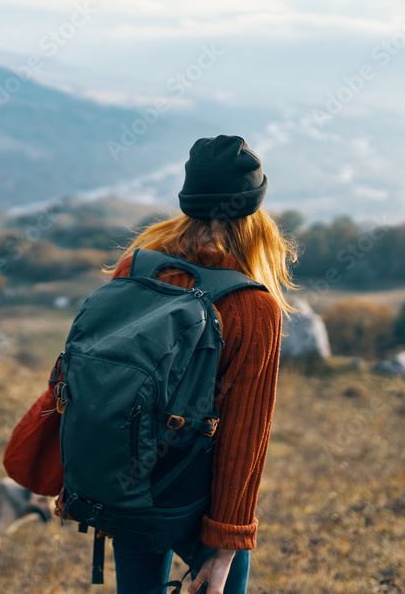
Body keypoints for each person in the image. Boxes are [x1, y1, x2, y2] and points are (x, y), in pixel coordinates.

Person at [105, 135, 298, 594]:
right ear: (254, 210)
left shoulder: (136, 270)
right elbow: (242, 435)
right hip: (200, 499)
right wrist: (226, 543)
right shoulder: (252, 306)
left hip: (128, 484)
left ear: (187, 201)